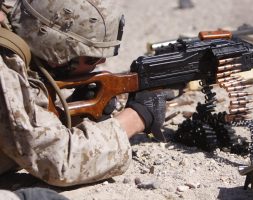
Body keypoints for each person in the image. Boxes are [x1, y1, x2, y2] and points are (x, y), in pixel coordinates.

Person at [0, 0, 169, 187]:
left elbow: (19, 133)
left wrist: (70, 114)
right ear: (57, 50)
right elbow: (59, 161)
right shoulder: (4, 71)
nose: (102, 62)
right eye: (93, 58)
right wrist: (136, 117)